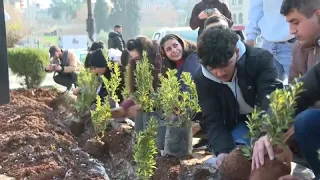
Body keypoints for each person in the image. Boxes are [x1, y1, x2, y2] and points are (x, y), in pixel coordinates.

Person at [195, 28, 283, 168]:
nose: (220, 73)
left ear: (236, 52)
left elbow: (272, 100)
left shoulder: (260, 59)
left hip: (266, 118)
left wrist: (266, 133)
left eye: (225, 65)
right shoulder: (202, 79)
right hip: (239, 123)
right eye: (213, 68)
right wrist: (222, 150)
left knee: (267, 156)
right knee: (234, 155)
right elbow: (212, 118)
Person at [252, 0, 320, 179]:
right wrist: (268, 132)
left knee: (307, 121)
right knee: (306, 121)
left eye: (296, 22)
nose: (291, 31)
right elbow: (297, 92)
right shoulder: (301, 49)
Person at [246, 0, 295, 78]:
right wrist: (251, 37)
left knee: (300, 87)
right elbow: (256, 9)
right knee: (269, 88)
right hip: (267, 43)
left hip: (293, 41)